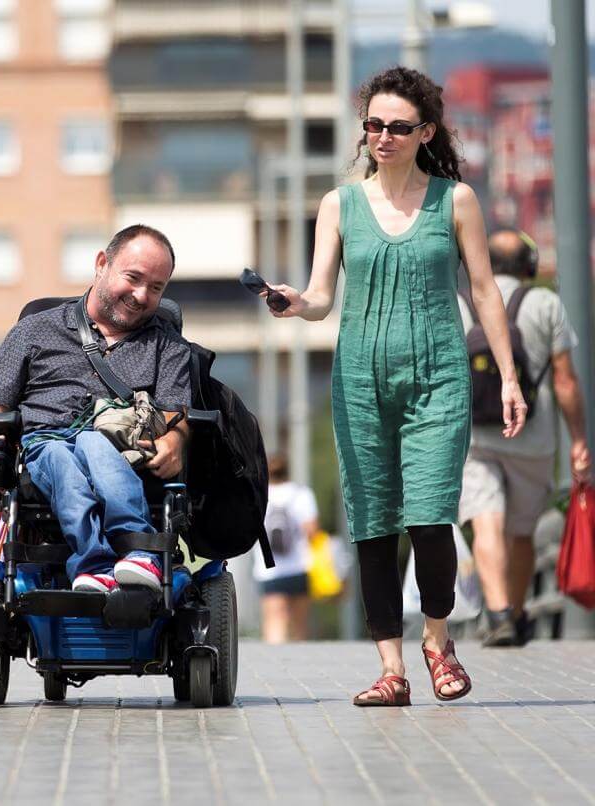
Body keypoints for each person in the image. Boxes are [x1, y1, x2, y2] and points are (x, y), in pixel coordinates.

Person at [262, 66, 528, 705]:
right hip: (359, 382)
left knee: (432, 516)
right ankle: (391, 669)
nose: (382, 136)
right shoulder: (339, 204)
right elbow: (323, 296)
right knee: (373, 525)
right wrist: (294, 302)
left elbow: (485, 291)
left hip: (438, 377)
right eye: (373, 125)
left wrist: (510, 376)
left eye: (398, 127)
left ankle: (438, 641)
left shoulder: (454, 200)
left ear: (425, 132)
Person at [0, 225, 191, 593]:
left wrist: (176, 440)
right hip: (44, 445)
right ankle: (94, 564)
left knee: (93, 444)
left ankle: (138, 552)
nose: (141, 294)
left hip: (122, 449)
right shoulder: (33, 331)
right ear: (102, 263)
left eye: (156, 287)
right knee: (61, 460)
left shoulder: (169, 347)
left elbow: (174, 413)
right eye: (133, 278)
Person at [458, 229, 592, 647]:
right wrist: (578, 439)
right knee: (520, 532)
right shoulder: (545, 303)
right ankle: (514, 613)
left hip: (473, 435)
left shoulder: (461, 305)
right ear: (528, 266)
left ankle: (497, 613)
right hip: (533, 441)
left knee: (486, 523)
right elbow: (566, 380)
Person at [253, 454, 320, 643]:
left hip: (268, 569)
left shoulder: (260, 494)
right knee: (300, 625)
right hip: (299, 566)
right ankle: (299, 660)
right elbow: (312, 531)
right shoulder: (302, 494)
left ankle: (276, 664)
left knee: (274, 621)